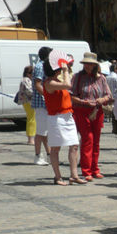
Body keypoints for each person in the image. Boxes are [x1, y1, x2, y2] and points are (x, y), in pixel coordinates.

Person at [43, 57, 85, 185]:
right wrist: (66, 70)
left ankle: (74, 175)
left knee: (74, 145)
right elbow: (68, 85)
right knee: (55, 148)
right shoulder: (49, 83)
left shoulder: (56, 80)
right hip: (56, 118)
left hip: (67, 115)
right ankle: (58, 176)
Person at [70, 52, 113, 180]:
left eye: (90, 64)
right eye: (86, 64)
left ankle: (95, 169)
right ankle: (86, 170)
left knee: (96, 141)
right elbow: (71, 96)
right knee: (87, 139)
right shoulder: (77, 77)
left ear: (95, 65)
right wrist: (83, 102)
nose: (87, 66)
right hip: (82, 111)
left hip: (97, 111)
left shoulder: (102, 78)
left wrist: (102, 100)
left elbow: (108, 95)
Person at [32, 47, 51, 166]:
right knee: (40, 132)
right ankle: (38, 155)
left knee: (44, 131)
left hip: (44, 104)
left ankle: (48, 155)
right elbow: (37, 84)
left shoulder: (44, 66)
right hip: (41, 103)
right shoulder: (40, 67)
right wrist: (47, 97)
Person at [18, 65, 36, 145]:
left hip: (27, 101)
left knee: (31, 119)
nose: (33, 75)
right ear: (28, 73)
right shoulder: (26, 80)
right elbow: (29, 91)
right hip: (28, 101)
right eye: (32, 73)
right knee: (32, 119)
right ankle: (30, 139)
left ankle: (31, 138)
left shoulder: (27, 80)